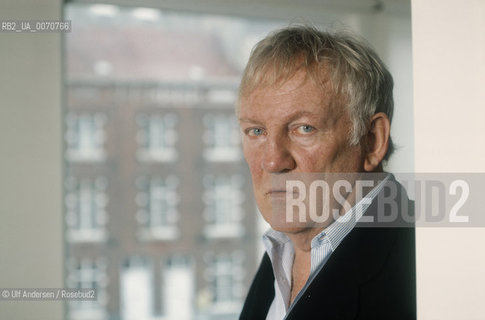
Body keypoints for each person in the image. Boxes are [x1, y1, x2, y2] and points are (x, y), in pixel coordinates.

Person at [237, 25, 416, 320]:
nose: (272, 161)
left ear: (372, 140)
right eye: (256, 131)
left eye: (303, 128)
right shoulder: (281, 250)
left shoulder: (426, 265)